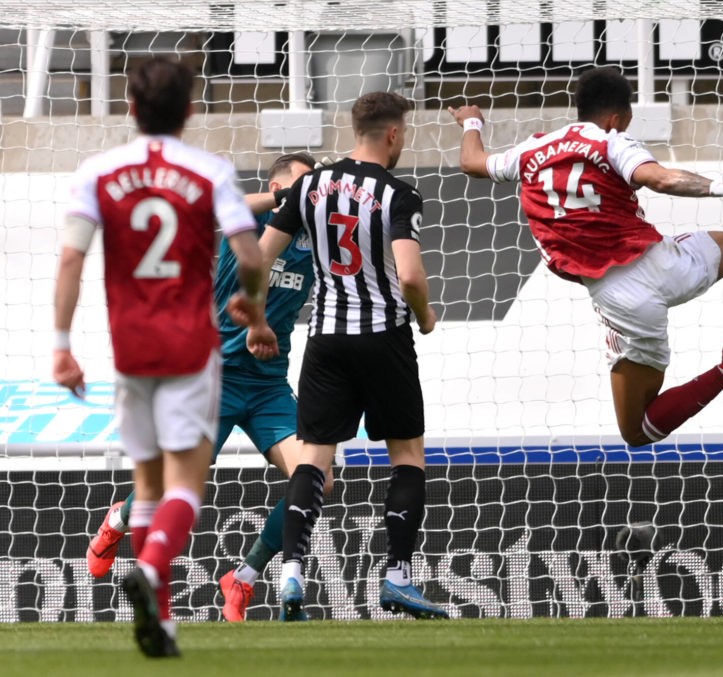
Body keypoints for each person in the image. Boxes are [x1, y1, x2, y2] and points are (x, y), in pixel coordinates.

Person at [448, 66, 723, 447]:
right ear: (618, 117)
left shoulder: (529, 151)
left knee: (637, 431)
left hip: (622, 300)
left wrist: (471, 121)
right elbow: (661, 178)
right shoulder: (612, 142)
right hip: (664, 263)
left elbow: (472, 162)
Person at [53, 57, 274, 657]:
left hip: (130, 350)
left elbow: (71, 259)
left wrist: (62, 347)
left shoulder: (98, 172)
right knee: (184, 488)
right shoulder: (210, 171)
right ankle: (152, 573)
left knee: (144, 487)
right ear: (190, 110)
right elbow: (251, 259)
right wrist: (253, 308)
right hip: (190, 348)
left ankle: (164, 623)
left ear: (129, 107)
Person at [84, 152, 320, 624]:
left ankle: (245, 577)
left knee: (316, 479)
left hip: (270, 386)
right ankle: (116, 521)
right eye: (299, 185)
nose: (307, 195)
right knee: (177, 486)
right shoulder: (246, 226)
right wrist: (280, 198)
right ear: (276, 187)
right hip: (215, 379)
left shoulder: (316, 246)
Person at [259, 91, 447, 621]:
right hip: (383, 335)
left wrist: (254, 309)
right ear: (392, 134)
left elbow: (263, 254)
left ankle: (292, 570)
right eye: (403, 133)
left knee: (315, 456)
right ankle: (396, 577)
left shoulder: (309, 185)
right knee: (406, 455)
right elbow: (409, 274)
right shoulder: (398, 193)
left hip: (325, 339)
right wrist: (427, 317)